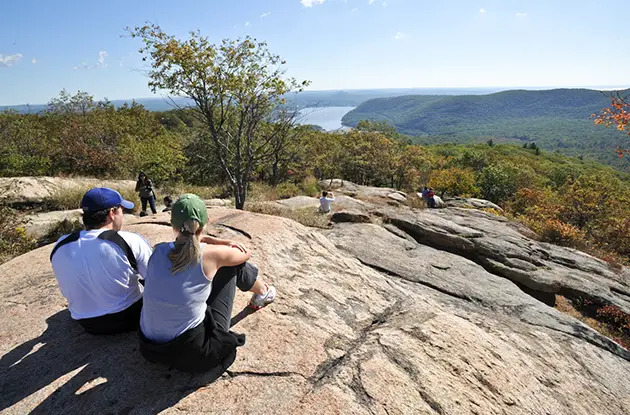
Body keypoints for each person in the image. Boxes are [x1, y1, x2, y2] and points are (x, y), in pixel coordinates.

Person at [139, 194, 277, 373]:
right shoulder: (210, 255)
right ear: (204, 223)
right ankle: (263, 292)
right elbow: (245, 253)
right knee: (230, 266)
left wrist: (205, 241)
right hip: (193, 354)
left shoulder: (158, 251)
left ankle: (262, 292)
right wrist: (220, 242)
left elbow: (185, 248)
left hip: (151, 348)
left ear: (173, 224)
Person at [50, 188, 153, 335]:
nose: (122, 215)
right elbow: (155, 279)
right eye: (122, 210)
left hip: (86, 322)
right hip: (129, 316)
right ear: (112, 213)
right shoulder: (128, 240)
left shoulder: (61, 243)